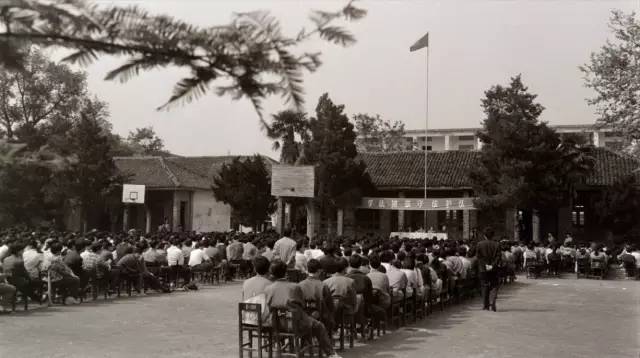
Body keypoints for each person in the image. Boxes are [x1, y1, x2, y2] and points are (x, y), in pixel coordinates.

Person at [264, 260, 341, 358]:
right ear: (286, 272)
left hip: (277, 324)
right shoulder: (294, 287)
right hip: (296, 322)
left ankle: (298, 345)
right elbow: (301, 305)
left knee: (306, 320)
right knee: (319, 326)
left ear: (272, 273)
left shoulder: (268, 289)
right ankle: (331, 354)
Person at [298, 259, 335, 332]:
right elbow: (330, 306)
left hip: (303, 318)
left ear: (308, 270)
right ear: (319, 271)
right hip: (321, 319)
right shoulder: (323, 286)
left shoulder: (299, 285)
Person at [476, 227, 501, 312]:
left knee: (484, 286)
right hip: (493, 269)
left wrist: (485, 265)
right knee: (494, 285)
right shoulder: (497, 244)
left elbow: (479, 257)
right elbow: (498, 257)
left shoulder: (479, 244)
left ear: (484, 235)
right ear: (493, 235)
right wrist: (492, 265)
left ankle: (485, 305)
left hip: (483, 269)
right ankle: (492, 301)